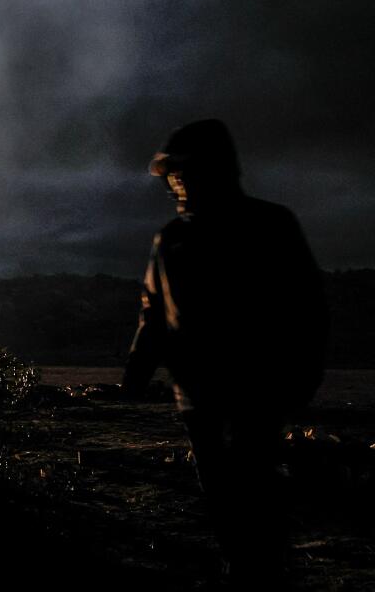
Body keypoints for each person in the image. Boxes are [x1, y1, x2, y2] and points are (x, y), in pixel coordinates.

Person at [122, 119, 329, 584]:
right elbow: (153, 314)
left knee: (253, 483)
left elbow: (307, 307)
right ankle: (247, 566)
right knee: (220, 490)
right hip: (198, 397)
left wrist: (303, 377)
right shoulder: (171, 239)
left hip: (258, 390)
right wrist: (135, 376)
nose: (177, 182)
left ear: (214, 169)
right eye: (172, 174)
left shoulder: (270, 225)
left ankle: (261, 568)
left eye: (183, 171)